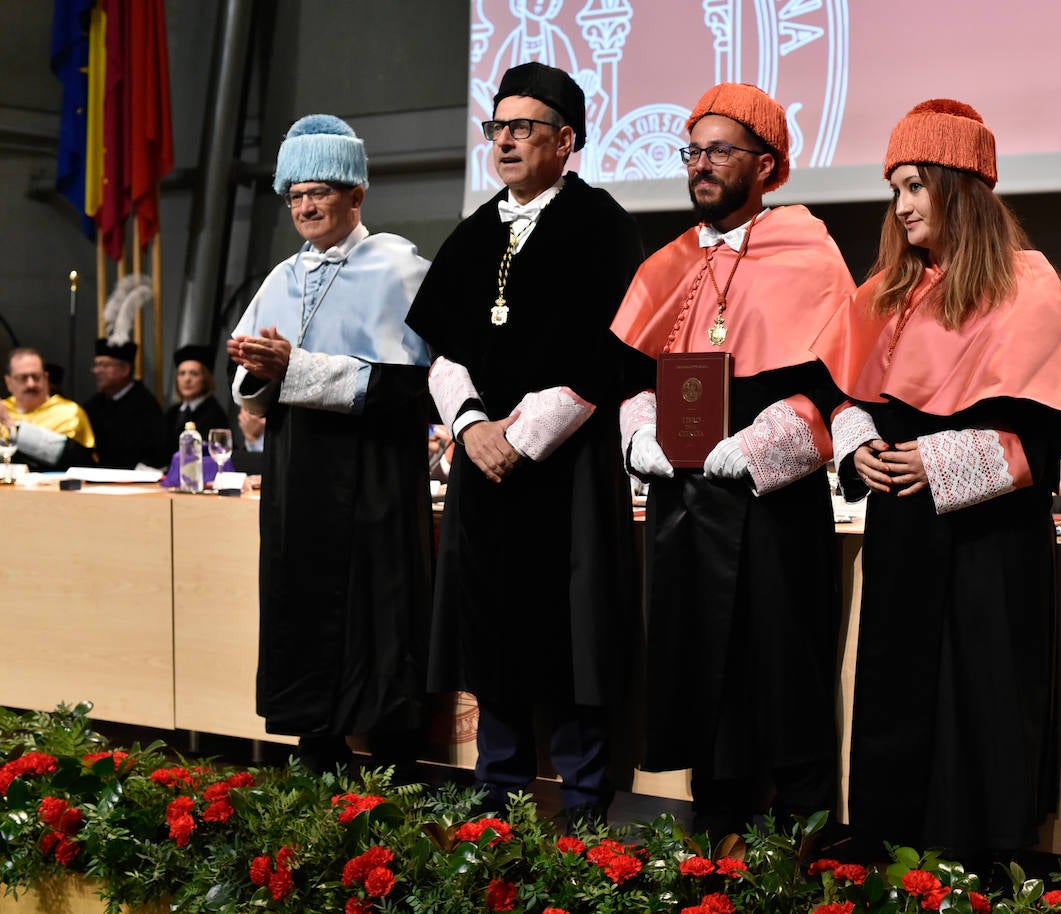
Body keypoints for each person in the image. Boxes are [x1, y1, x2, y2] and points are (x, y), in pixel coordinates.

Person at [810, 99, 1061, 861]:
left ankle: (976, 866)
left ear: (962, 188)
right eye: (894, 187)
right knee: (895, 697)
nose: (900, 207)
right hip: (903, 529)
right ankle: (889, 853)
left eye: (916, 186)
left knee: (983, 700)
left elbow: (1046, 430)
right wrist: (858, 439)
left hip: (988, 540)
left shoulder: (1027, 284)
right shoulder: (883, 294)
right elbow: (842, 392)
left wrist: (938, 460)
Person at [613, 82, 855, 839]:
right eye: (693, 151)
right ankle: (712, 839)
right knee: (697, 673)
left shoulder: (808, 249)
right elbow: (626, 373)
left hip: (774, 508)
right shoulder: (668, 262)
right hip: (685, 506)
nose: (701, 165)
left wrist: (758, 446)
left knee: (783, 674)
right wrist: (640, 430)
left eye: (720, 150)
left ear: (768, 164)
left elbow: (836, 380)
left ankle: (798, 854)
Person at [405, 62, 643, 822]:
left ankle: (580, 814)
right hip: (485, 470)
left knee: (573, 638)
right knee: (492, 634)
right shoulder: (476, 233)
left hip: (566, 471)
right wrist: (474, 427)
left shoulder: (601, 224)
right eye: (497, 128)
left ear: (565, 139)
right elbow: (439, 350)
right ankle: (495, 807)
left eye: (522, 128)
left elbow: (613, 351)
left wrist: (526, 435)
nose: (504, 142)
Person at [227, 114, 434, 774]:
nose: (306, 206)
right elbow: (252, 385)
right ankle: (315, 747)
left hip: (370, 470)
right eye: (295, 196)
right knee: (298, 602)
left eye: (319, 191)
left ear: (357, 194)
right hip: (298, 469)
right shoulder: (281, 276)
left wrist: (299, 370)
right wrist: (257, 375)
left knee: (378, 608)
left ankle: (394, 764)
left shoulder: (398, 268)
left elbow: (417, 388)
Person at [1, 347, 96, 471]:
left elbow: (81, 461)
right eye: (23, 378)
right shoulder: (4, 408)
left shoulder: (69, 412)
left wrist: (11, 425)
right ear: (8, 382)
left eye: (36, 377)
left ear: (46, 378)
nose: (31, 384)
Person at [83, 338, 164, 468]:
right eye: (96, 365)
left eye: (104, 365)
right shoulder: (93, 405)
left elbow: (157, 452)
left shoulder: (145, 405)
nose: (97, 371)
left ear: (125, 369)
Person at [162, 344, 232, 461]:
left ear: (205, 379)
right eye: (182, 373)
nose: (187, 379)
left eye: (194, 373)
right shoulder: (172, 412)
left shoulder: (214, 413)